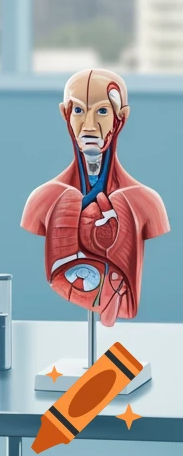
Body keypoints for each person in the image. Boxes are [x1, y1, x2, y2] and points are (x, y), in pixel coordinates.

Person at [21, 68, 169, 327]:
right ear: (65, 115)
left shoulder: (146, 204)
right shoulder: (43, 200)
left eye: (102, 111)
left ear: (121, 118)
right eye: (78, 110)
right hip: (72, 272)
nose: (88, 125)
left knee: (126, 201)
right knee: (62, 195)